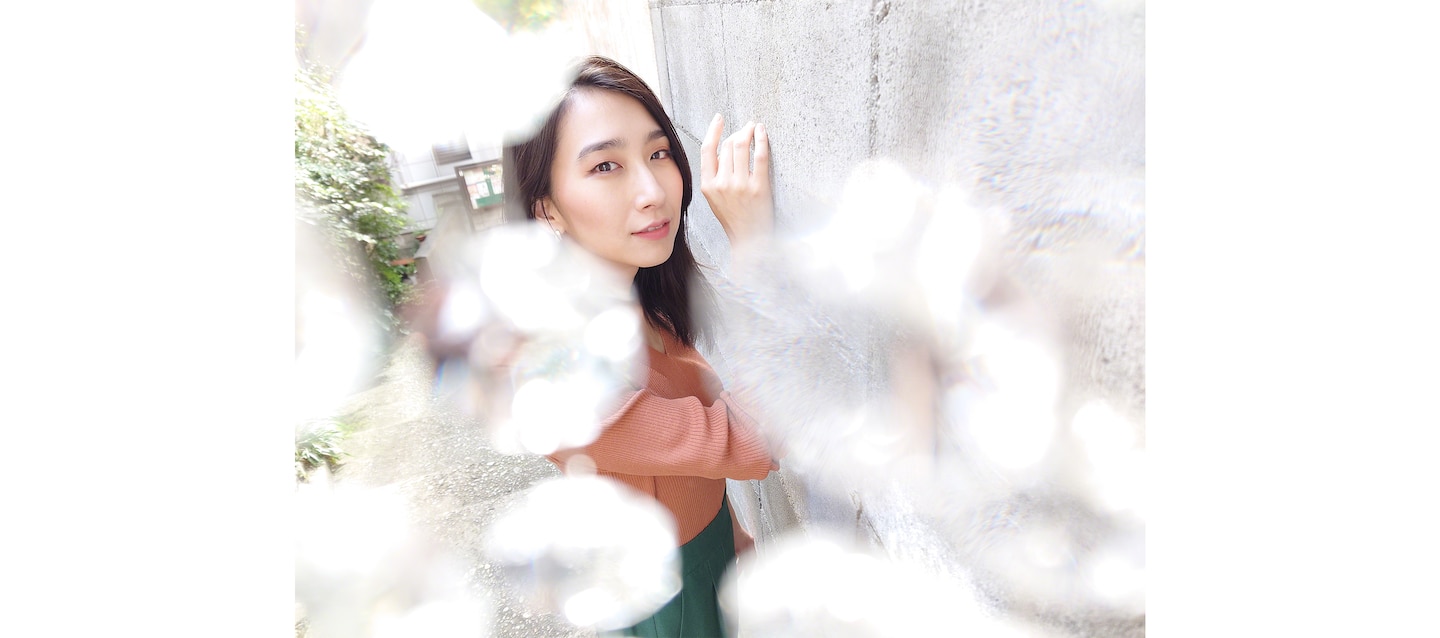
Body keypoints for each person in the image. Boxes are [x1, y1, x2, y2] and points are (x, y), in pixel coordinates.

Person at [505, 55, 778, 637]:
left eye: (657, 154)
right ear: (547, 208)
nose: (653, 190)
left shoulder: (641, 294)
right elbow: (757, 443)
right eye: (606, 165)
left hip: (704, 565)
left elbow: (686, 463)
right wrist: (753, 247)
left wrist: (737, 544)